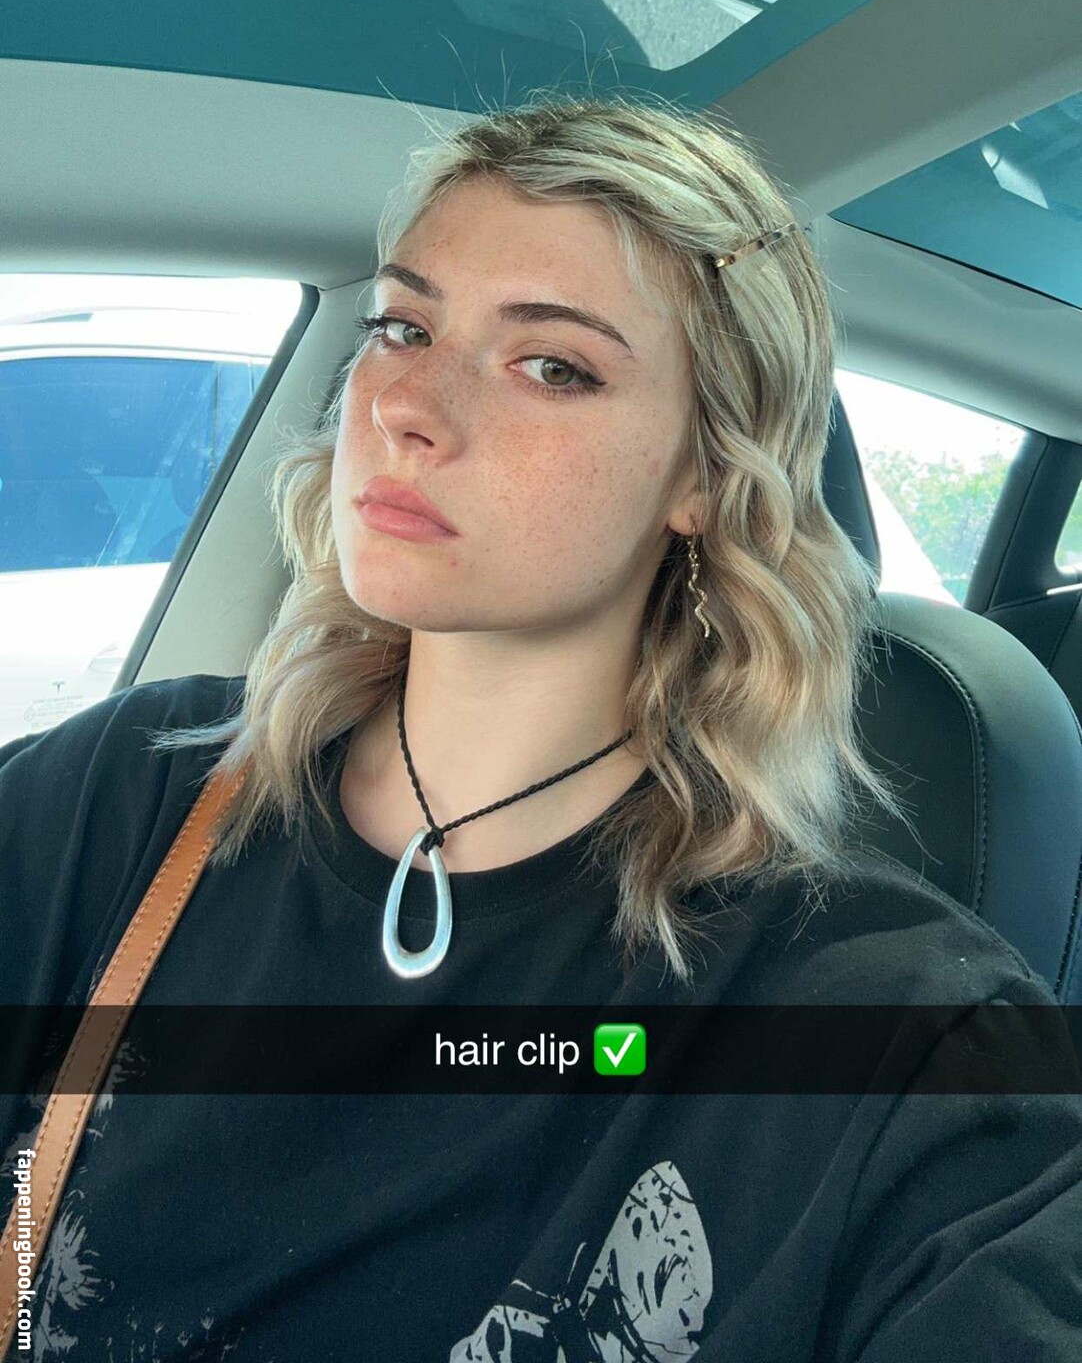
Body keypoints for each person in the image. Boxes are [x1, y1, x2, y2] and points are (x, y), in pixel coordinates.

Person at [1, 89, 1079, 1360]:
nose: (406, 406)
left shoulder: (891, 1031)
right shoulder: (126, 795)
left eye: (552, 365)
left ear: (704, 472)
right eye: (402, 326)